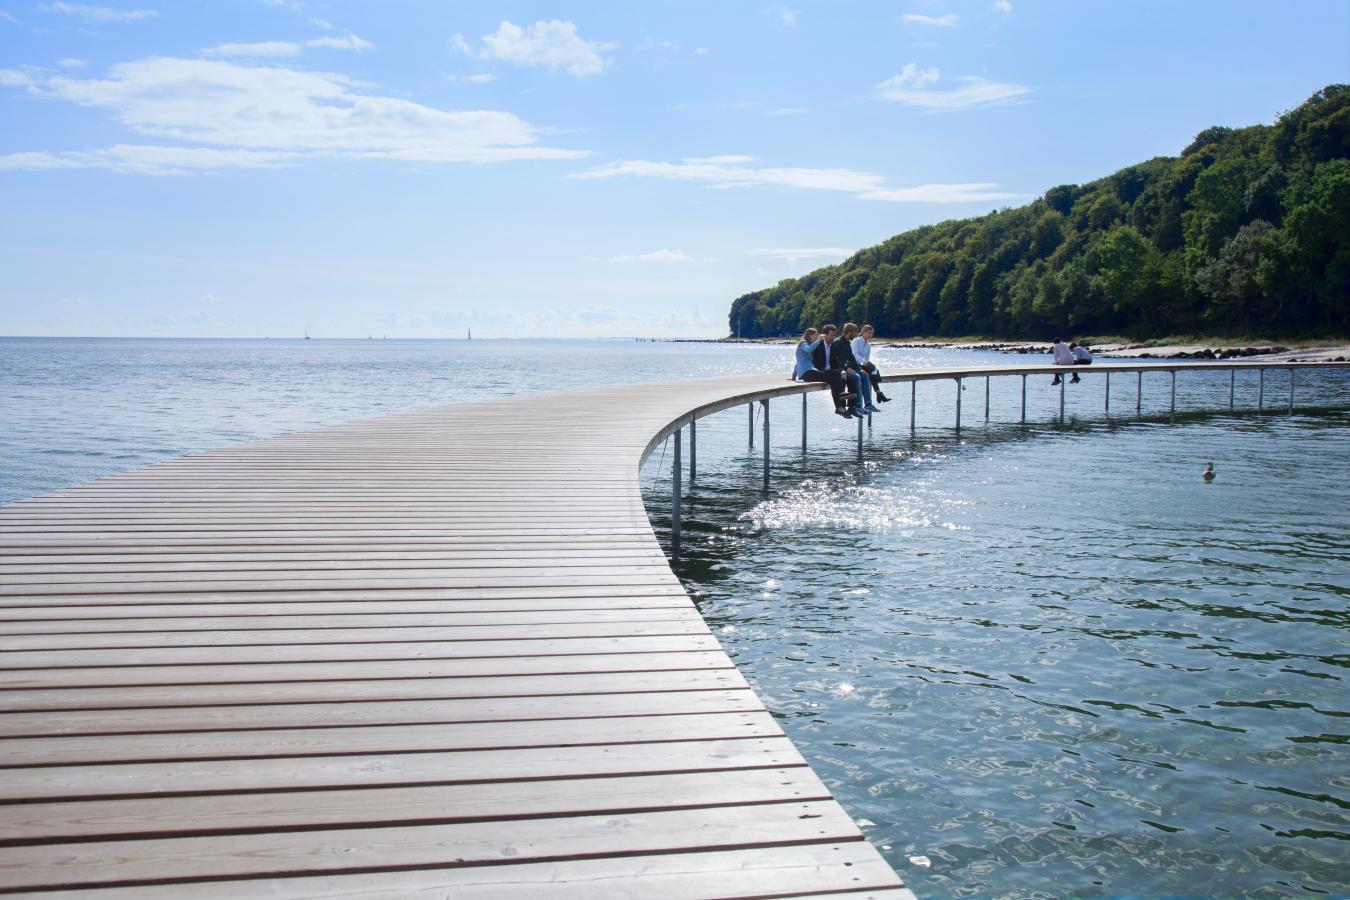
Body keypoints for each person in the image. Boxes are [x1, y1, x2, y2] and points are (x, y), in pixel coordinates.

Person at [793, 327, 852, 417]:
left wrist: (793, 376)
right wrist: (819, 340)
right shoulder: (803, 343)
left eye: (817, 335)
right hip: (806, 373)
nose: (817, 337)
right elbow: (808, 350)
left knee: (837, 373)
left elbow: (797, 364)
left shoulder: (810, 344)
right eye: (815, 335)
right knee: (831, 380)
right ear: (809, 335)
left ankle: (842, 402)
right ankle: (839, 405)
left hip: (811, 370)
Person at [812, 324, 865, 418]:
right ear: (824, 335)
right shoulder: (818, 345)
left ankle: (851, 406)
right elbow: (811, 358)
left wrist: (843, 371)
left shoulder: (832, 345)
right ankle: (841, 407)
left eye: (834, 335)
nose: (833, 337)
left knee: (851, 379)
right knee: (836, 379)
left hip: (831, 370)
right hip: (819, 370)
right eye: (831, 335)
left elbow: (835, 362)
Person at [833, 323, 873, 415]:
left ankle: (867, 404)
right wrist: (846, 368)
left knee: (863, 375)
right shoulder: (838, 342)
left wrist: (860, 369)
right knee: (856, 377)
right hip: (838, 370)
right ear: (850, 332)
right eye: (855, 332)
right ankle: (857, 405)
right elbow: (834, 360)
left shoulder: (848, 343)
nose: (856, 334)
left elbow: (852, 358)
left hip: (845, 369)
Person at [851, 324, 891, 403]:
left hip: (862, 364)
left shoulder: (868, 345)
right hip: (853, 364)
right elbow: (854, 355)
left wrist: (865, 362)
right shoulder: (856, 341)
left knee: (872, 370)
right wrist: (863, 362)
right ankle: (879, 394)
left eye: (872, 333)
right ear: (863, 332)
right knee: (873, 369)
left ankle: (879, 394)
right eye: (869, 333)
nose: (871, 335)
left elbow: (867, 358)